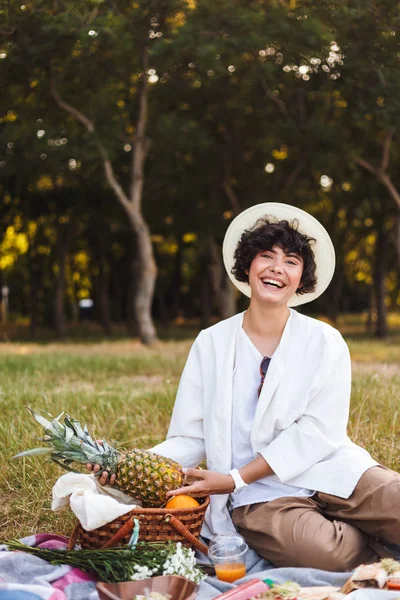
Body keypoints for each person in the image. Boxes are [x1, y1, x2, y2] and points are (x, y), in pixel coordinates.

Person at [92, 203, 400, 571]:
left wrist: (235, 476)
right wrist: (124, 465)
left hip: (329, 468)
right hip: (257, 495)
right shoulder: (212, 342)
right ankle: (374, 539)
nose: (276, 268)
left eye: (291, 261)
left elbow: (319, 432)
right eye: (266, 256)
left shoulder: (325, 341)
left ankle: (374, 525)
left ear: (302, 279)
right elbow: (191, 438)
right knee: (327, 554)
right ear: (246, 267)